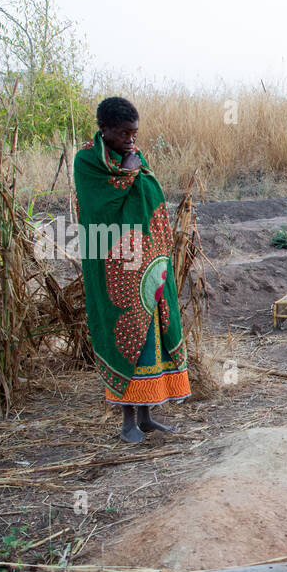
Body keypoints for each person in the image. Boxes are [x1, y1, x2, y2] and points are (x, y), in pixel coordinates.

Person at [74, 97, 190, 443]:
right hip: (111, 268)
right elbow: (98, 209)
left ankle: (148, 416)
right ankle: (127, 424)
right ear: (104, 129)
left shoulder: (135, 157)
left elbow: (149, 194)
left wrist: (132, 168)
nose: (131, 140)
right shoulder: (87, 161)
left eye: (134, 134)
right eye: (124, 133)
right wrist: (126, 172)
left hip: (146, 268)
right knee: (124, 340)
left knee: (149, 340)